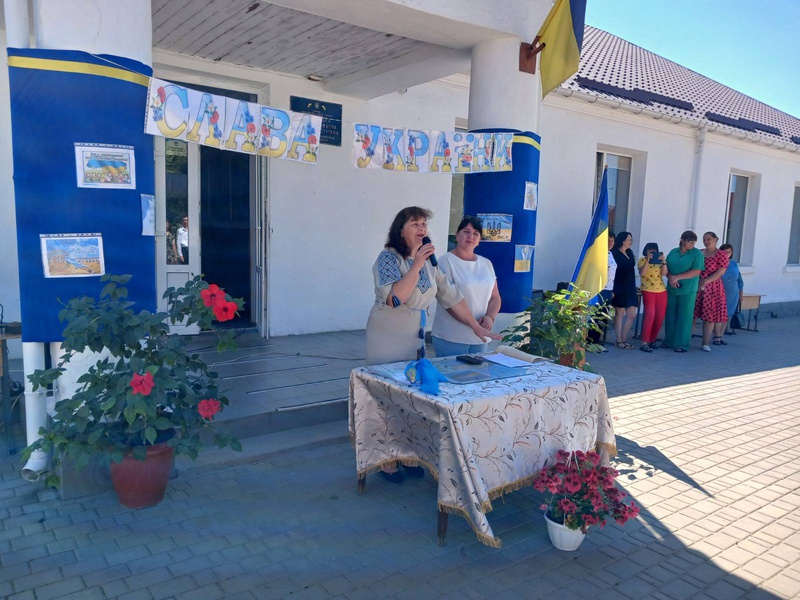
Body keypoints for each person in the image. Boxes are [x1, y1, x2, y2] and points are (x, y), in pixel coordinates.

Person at [365, 207, 500, 483]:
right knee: (386, 396)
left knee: (410, 397)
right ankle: (384, 458)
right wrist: (415, 263)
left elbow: (452, 297)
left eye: (424, 223)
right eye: (415, 223)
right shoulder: (388, 258)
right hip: (388, 333)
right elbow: (394, 298)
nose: (422, 228)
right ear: (400, 229)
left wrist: (476, 326)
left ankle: (404, 452)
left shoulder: (431, 263)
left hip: (415, 336)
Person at [431, 216, 501, 357]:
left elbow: (495, 297)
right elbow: (448, 301)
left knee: (478, 376)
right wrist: (473, 325)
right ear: (457, 235)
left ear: (480, 239)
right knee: (452, 376)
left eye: (475, 233)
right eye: (466, 231)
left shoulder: (486, 263)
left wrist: (490, 317)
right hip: (452, 336)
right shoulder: (446, 261)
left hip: (480, 337)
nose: (470, 236)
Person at [664, 230, 705, 353]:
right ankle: (668, 340)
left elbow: (696, 271)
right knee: (670, 315)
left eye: (694, 242)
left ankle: (681, 344)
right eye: (689, 241)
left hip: (688, 289)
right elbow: (666, 266)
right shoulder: (673, 252)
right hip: (672, 287)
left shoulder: (697, 254)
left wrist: (678, 277)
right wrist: (671, 277)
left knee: (685, 316)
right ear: (682, 240)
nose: (692, 244)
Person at [694, 231, 729, 351]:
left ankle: (705, 343)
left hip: (713, 288)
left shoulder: (721, 254)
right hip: (697, 286)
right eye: (704, 239)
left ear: (715, 239)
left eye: (709, 239)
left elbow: (721, 271)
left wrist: (706, 281)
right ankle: (685, 340)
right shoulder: (699, 252)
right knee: (692, 314)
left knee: (710, 316)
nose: (706, 241)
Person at [587, 229, 616, 350]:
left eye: (612, 241)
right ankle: (589, 342)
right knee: (595, 316)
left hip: (608, 289)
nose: (610, 243)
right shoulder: (598, 254)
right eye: (608, 240)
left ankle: (596, 342)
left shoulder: (610, 254)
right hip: (599, 289)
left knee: (603, 317)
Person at [637, 242, 667, 352]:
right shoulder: (642, 260)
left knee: (659, 317)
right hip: (648, 290)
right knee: (650, 315)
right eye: (650, 250)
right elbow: (642, 273)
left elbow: (664, 273)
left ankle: (652, 340)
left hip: (661, 290)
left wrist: (663, 261)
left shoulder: (659, 261)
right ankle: (644, 341)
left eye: (654, 251)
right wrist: (648, 261)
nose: (652, 253)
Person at [610, 232, 638, 349]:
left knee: (631, 314)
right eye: (628, 240)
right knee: (620, 313)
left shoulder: (630, 253)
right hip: (619, 286)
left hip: (630, 286)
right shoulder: (615, 253)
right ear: (622, 240)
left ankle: (624, 338)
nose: (630, 242)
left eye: (631, 240)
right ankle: (618, 340)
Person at [719, 243, 744, 334]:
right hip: (720, 292)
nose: (727, 254)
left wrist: (740, 294)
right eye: (724, 252)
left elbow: (740, 280)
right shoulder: (717, 263)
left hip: (733, 294)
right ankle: (716, 334)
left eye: (729, 252)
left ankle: (721, 335)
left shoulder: (734, 264)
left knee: (727, 315)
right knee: (718, 315)